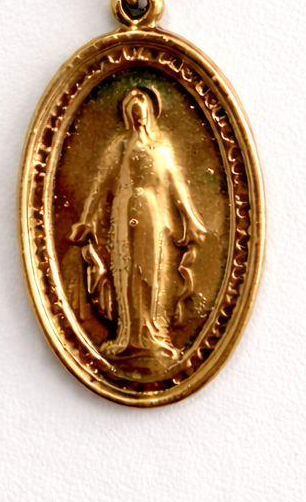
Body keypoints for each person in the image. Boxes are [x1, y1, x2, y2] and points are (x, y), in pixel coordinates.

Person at [70, 87, 207, 360]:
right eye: (134, 115)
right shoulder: (120, 148)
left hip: (152, 214)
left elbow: (177, 187)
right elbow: (101, 184)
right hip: (125, 212)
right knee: (126, 271)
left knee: (150, 272)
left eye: (141, 114)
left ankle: (152, 334)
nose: (138, 119)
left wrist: (190, 219)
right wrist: (86, 219)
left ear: (149, 114)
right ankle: (128, 335)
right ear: (127, 116)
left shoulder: (162, 150)